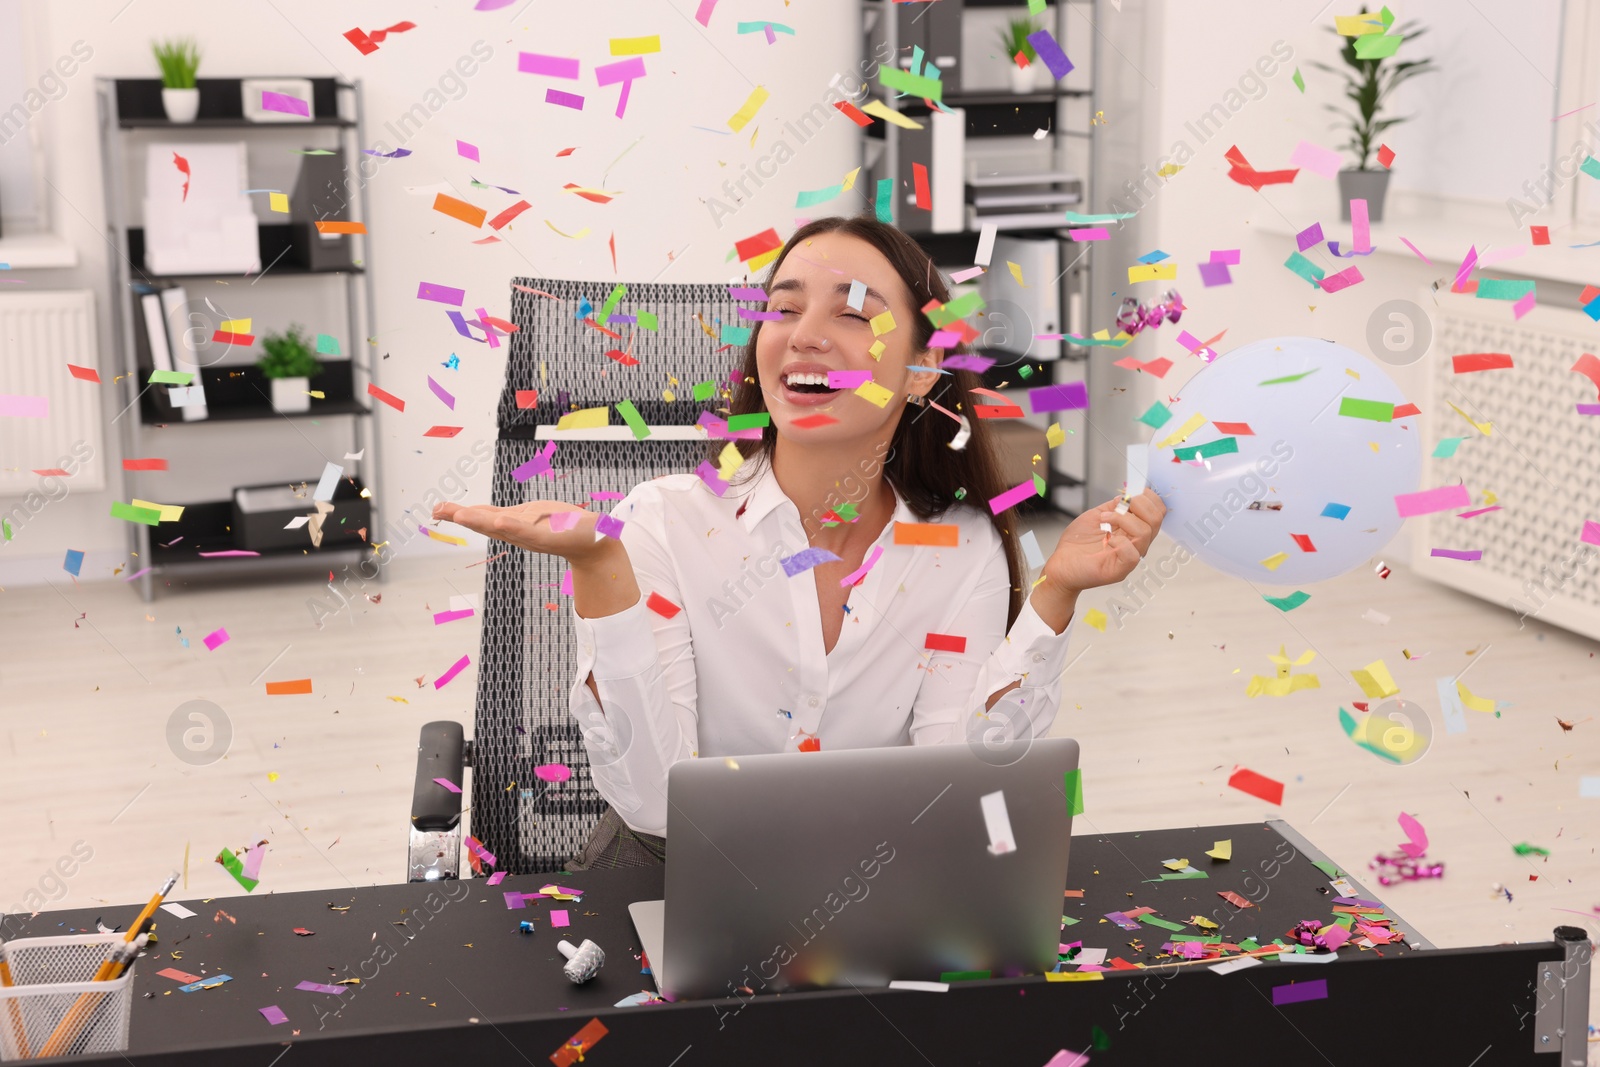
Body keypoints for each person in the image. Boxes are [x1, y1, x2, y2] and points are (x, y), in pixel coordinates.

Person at [433, 214, 1165, 869]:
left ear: (921, 372)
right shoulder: (658, 524)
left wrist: (1055, 594)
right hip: (676, 876)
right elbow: (657, 803)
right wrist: (599, 568)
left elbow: (959, 778)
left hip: (868, 882)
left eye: (852, 314)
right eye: (782, 308)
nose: (802, 333)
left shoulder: (961, 543)